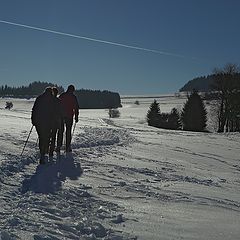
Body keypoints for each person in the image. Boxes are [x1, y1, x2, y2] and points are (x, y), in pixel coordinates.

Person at [31, 87, 55, 164]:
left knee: (41, 137)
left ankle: (42, 152)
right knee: (47, 137)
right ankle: (44, 152)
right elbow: (54, 112)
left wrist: (33, 120)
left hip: (39, 121)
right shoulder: (52, 99)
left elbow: (34, 109)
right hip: (48, 122)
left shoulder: (39, 98)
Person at [57, 85, 79, 153]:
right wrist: (76, 116)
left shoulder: (62, 95)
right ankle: (67, 147)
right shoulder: (73, 97)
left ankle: (58, 146)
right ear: (72, 90)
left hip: (61, 116)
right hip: (69, 116)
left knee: (60, 131)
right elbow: (76, 107)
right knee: (68, 132)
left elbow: (58, 104)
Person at [49, 87, 64, 157]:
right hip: (57, 119)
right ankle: (56, 148)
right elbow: (61, 111)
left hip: (50, 120)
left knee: (51, 134)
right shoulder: (59, 101)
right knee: (57, 134)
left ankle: (49, 149)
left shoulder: (49, 100)